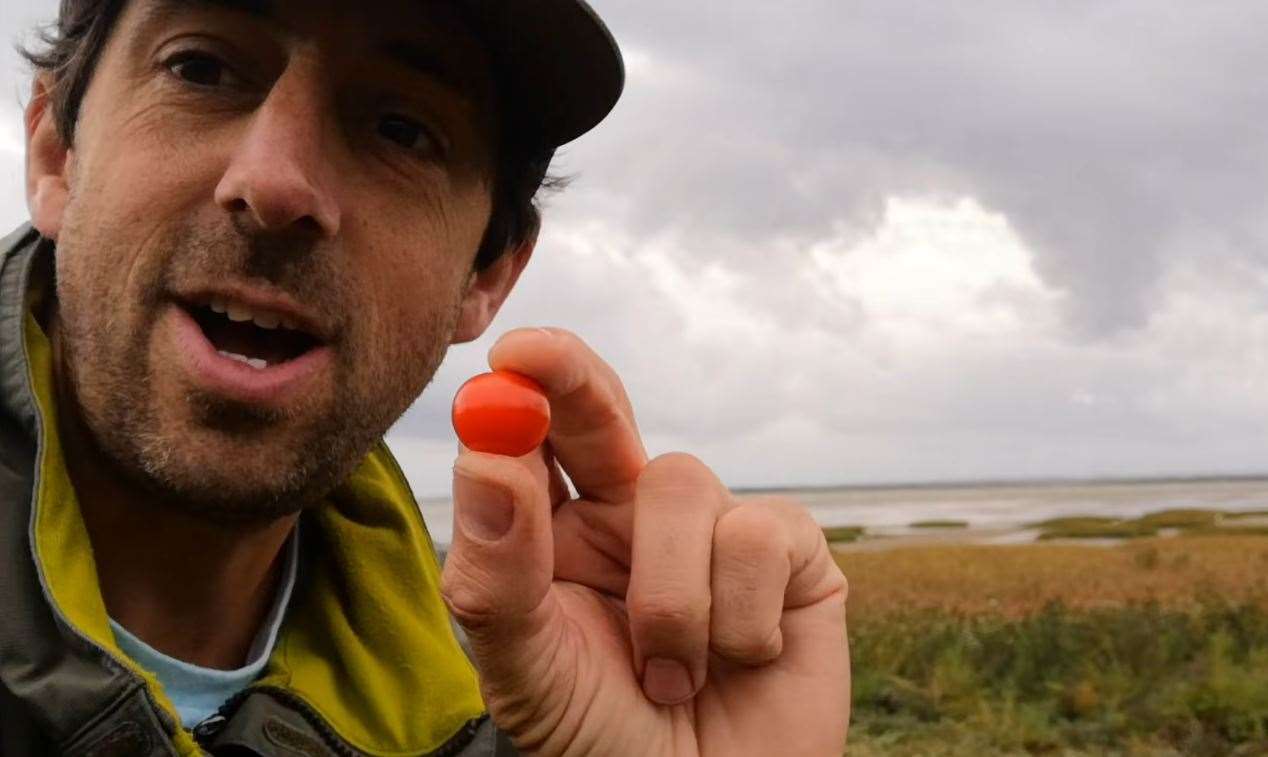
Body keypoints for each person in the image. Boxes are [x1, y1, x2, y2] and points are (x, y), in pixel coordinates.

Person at [0, 0, 851, 754]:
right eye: (202, 67)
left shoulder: (507, 708)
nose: (274, 182)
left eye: (403, 128)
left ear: (486, 279)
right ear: (54, 154)